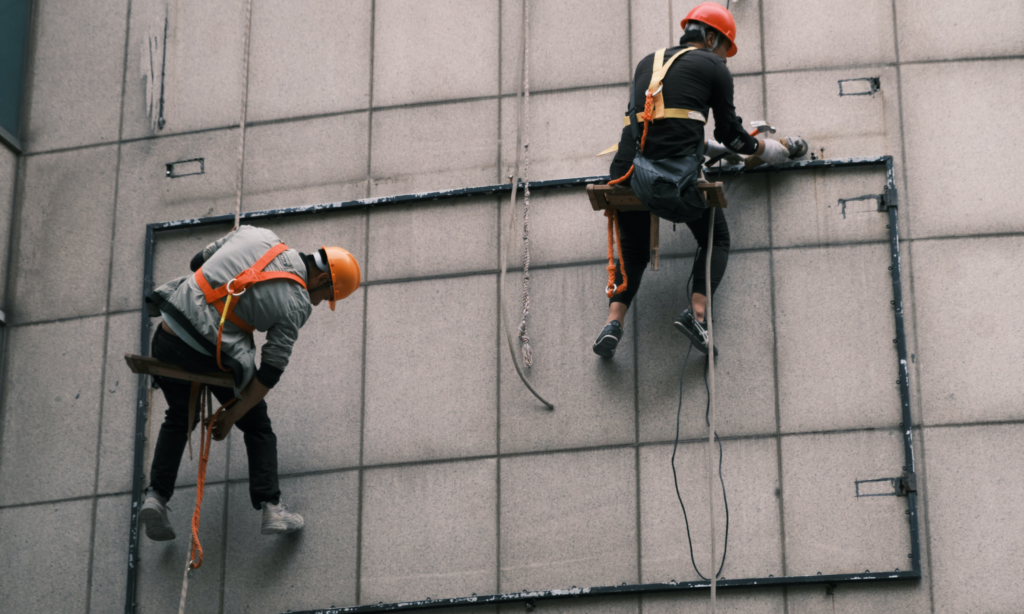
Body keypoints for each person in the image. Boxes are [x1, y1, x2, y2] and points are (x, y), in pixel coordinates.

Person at [592, 2, 789, 359]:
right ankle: (696, 316)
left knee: (633, 253)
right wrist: (763, 148)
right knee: (717, 238)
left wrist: (712, 148)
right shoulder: (713, 66)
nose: (724, 60)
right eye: (724, 51)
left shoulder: (647, 63)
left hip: (626, 175)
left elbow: (665, 125)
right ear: (711, 37)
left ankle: (613, 322)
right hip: (670, 179)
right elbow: (731, 134)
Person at [138, 225, 360, 540]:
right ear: (323, 280)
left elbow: (196, 262)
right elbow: (269, 372)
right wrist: (231, 416)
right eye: (327, 297)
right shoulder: (297, 302)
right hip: (208, 353)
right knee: (258, 427)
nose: (320, 302)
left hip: (169, 332)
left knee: (178, 416)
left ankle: (156, 497)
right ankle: (271, 507)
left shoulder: (259, 234)